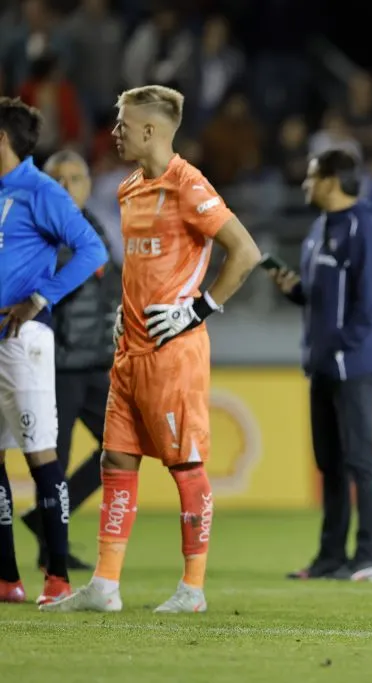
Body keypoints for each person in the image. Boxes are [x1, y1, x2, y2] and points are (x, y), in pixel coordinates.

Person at [41, 85, 261, 614]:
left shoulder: (189, 184)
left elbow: (245, 252)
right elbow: (145, 266)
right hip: (129, 350)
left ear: (149, 130)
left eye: (121, 124)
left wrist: (198, 309)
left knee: (185, 466)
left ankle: (192, 588)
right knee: (116, 459)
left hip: (173, 353)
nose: (113, 132)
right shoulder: (127, 189)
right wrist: (126, 306)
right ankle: (106, 585)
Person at [0, 97, 109, 604]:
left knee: (44, 457)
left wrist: (40, 298)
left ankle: (58, 576)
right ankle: (7, 578)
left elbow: (92, 249)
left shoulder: (41, 191)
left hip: (27, 342)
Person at [267, 148, 372, 583]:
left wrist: (343, 350)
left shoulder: (363, 225)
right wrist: (294, 290)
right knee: (330, 463)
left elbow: (370, 301)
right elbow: (323, 297)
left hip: (352, 365)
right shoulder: (319, 228)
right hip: (321, 364)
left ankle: (370, 557)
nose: (306, 183)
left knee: (359, 459)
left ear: (332, 179)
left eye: (312, 176)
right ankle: (331, 557)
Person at [19, 150, 121, 573]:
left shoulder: (92, 226)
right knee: (53, 460)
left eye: (75, 178)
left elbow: (109, 286)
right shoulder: (40, 231)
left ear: (87, 184)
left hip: (97, 363)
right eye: (58, 179)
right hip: (57, 365)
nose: (66, 186)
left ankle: (41, 524)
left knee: (120, 449)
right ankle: (50, 550)